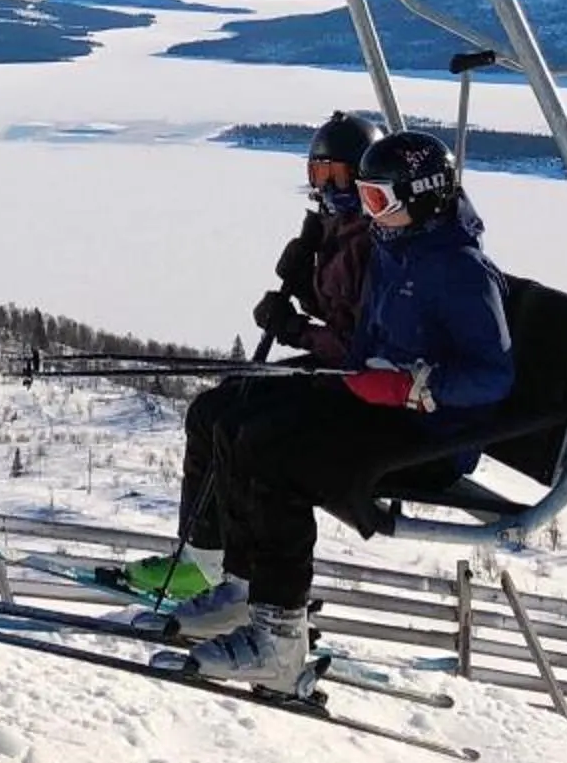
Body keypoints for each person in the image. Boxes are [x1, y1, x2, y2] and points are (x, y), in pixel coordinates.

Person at [173, 128, 517, 693]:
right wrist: (335, 358)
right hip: (379, 407)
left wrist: (415, 385)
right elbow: (365, 342)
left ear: (422, 196)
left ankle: (280, 641)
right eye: (364, 197)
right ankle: (243, 587)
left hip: (433, 436)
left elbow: (492, 377)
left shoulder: (460, 271)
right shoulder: (394, 250)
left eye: (378, 200)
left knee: (278, 457)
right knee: (237, 420)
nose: (368, 212)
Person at [117, 110, 378, 604]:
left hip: (357, 383)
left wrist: (298, 327)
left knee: (243, 431)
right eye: (318, 175)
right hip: (336, 369)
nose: (327, 186)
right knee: (210, 411)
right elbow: (339, 310)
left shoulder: (376, 241)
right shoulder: (339, 229)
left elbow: (362, 344)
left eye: (337, 175)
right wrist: (304, 288)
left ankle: (245, 575)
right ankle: (204, 556)